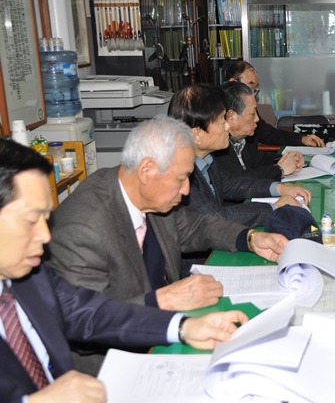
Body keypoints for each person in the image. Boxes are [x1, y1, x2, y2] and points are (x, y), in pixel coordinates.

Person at [0, 138, 249, 403]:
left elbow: (92, 313)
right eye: (31, 220)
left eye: (46, 219)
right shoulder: (81, 227)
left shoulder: (30, 277)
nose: (45, 235)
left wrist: (183, 327)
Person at [46, 116, 287, 375]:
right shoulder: (84, 227)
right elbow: (87, 318)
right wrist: (161, 301)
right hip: (116, 364)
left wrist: (250, 238)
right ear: (147, 170)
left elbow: (194, 226)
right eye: (181, 178)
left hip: (168, 330)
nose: (186, 190)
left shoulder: (148, 195)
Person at [168, 84, 311, 272]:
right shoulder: (182, 174)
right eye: (221, 121)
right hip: (200, 266)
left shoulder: (206, 159)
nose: (228, 126)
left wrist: (279, 188)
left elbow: (232, 183)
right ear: (196, 135)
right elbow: (218, 217)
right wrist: (274, 207)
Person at [215, 81, 305, 181]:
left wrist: (288, 159)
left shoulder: (242, 140)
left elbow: (259, 159)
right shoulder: (218, 146)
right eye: (253, 113)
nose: (257, 119)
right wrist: (280, 170)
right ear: (232, 117)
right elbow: (239, 180)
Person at [225, 60, 325, 148]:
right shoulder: (220, 113)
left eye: (256, 88)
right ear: (233, 83)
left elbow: (268, 134)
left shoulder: (250, 109)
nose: (254, 92)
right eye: (250, 85)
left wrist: (302, 139)